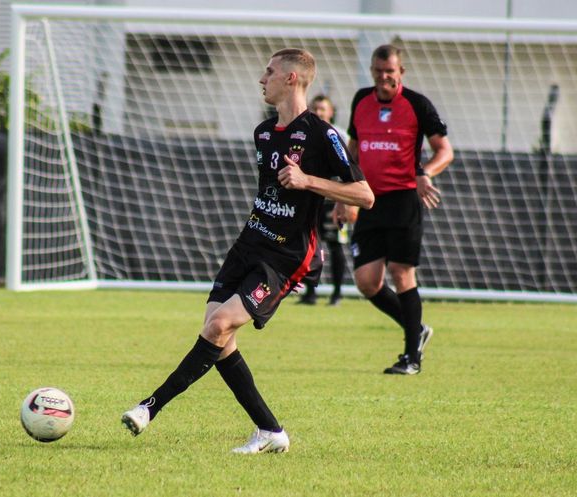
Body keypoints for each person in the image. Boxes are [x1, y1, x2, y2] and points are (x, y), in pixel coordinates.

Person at [120, 48, 373, 454]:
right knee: (218, 336)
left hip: (286, 256)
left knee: (218, 326)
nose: (261, 78)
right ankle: (270, 430)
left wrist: (310, 181)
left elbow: (364, 194)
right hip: (249, 243)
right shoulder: (263, 133)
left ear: (291, 78)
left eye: (269, 72)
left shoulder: (323, 134)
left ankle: (150, 407)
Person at [336, 44, 454, 376]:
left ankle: (411, 358)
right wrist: (344, 194)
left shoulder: (417, 104)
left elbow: (445, 151)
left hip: (403, 200)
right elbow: (354, 150)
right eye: (378, 70)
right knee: (367, 282)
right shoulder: (361, 100)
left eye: (389, 71)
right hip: (370, 199)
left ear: (401, 71)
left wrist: (425, 173)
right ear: (372, 71)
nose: (383, 76)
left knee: (402, 274)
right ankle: (417, 329)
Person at [298, 95, 350, 306]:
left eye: (323, 109)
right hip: (310, 199)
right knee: (308, 244)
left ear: (331, 112)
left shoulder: (340, 135)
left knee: (336, 245)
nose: (319, 112)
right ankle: (310, 292)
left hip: (333, 199)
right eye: (315, 108)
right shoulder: (303, 134)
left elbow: (351, 168)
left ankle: (337, 293)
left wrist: (345, 199)